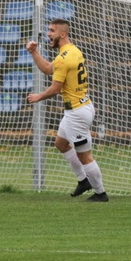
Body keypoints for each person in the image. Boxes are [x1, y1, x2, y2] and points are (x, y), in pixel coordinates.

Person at [25, 18, 107, 202]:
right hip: (79, 108)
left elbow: (54, 88)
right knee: (61, 143)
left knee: (84, 156)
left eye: (51, 31)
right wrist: (34, 52)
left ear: (62, 34)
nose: (48, 34)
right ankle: (83, 181)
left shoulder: (64, 58)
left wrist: (38, 96)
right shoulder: (73, 51)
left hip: (77, 112)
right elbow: (47, 69)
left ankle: (100, 193)